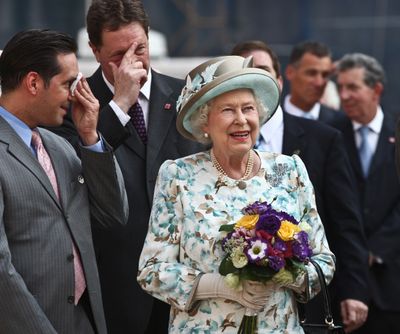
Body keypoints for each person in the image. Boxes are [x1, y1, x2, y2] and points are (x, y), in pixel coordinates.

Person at [137, 55, 335, 333]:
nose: (241, 120)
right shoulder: (179, 176)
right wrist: (221, 286)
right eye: (228, 110)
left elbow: (324, 263)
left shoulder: (289, 170)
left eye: (248, 109)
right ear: (204, 122)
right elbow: (152, 271)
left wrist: (284, 274)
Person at [48, 1, 204, 333]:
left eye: (140, 48)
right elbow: (75, 168)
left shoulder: (185, 97)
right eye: (118, 55)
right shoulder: (73, 105)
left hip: (186, 279)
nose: (132, 62)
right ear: (94, 50)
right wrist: (120, 104)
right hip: (114, 281)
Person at [231, 40, 369, 332]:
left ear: (279, 81)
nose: (254, 80)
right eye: (244, 73)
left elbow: (345, 221)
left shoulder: (324, 139)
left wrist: (355, 289)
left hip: (306, 305)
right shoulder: (209, 148)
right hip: (233, 310)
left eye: (263, 71)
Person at [0, 29, 128, 334]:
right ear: (33, 83)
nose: (75, 95)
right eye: (68, 84)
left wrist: (91, 138)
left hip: (83, 321)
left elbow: (113, 213)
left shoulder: (59, 147)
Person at [333, 53, 400, 334]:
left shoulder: (396, 131)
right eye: (341, 88)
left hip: (391, 282)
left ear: (377, 90)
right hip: (344, 288)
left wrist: (375, 250)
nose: (345, 95)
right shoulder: (330, 135)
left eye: (353, 87)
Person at [284, 41, 342, 123]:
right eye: (311, 73)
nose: (319, 83)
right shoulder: (268, 120)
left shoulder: (342, 124)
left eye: (325, 75)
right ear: (290, 72)